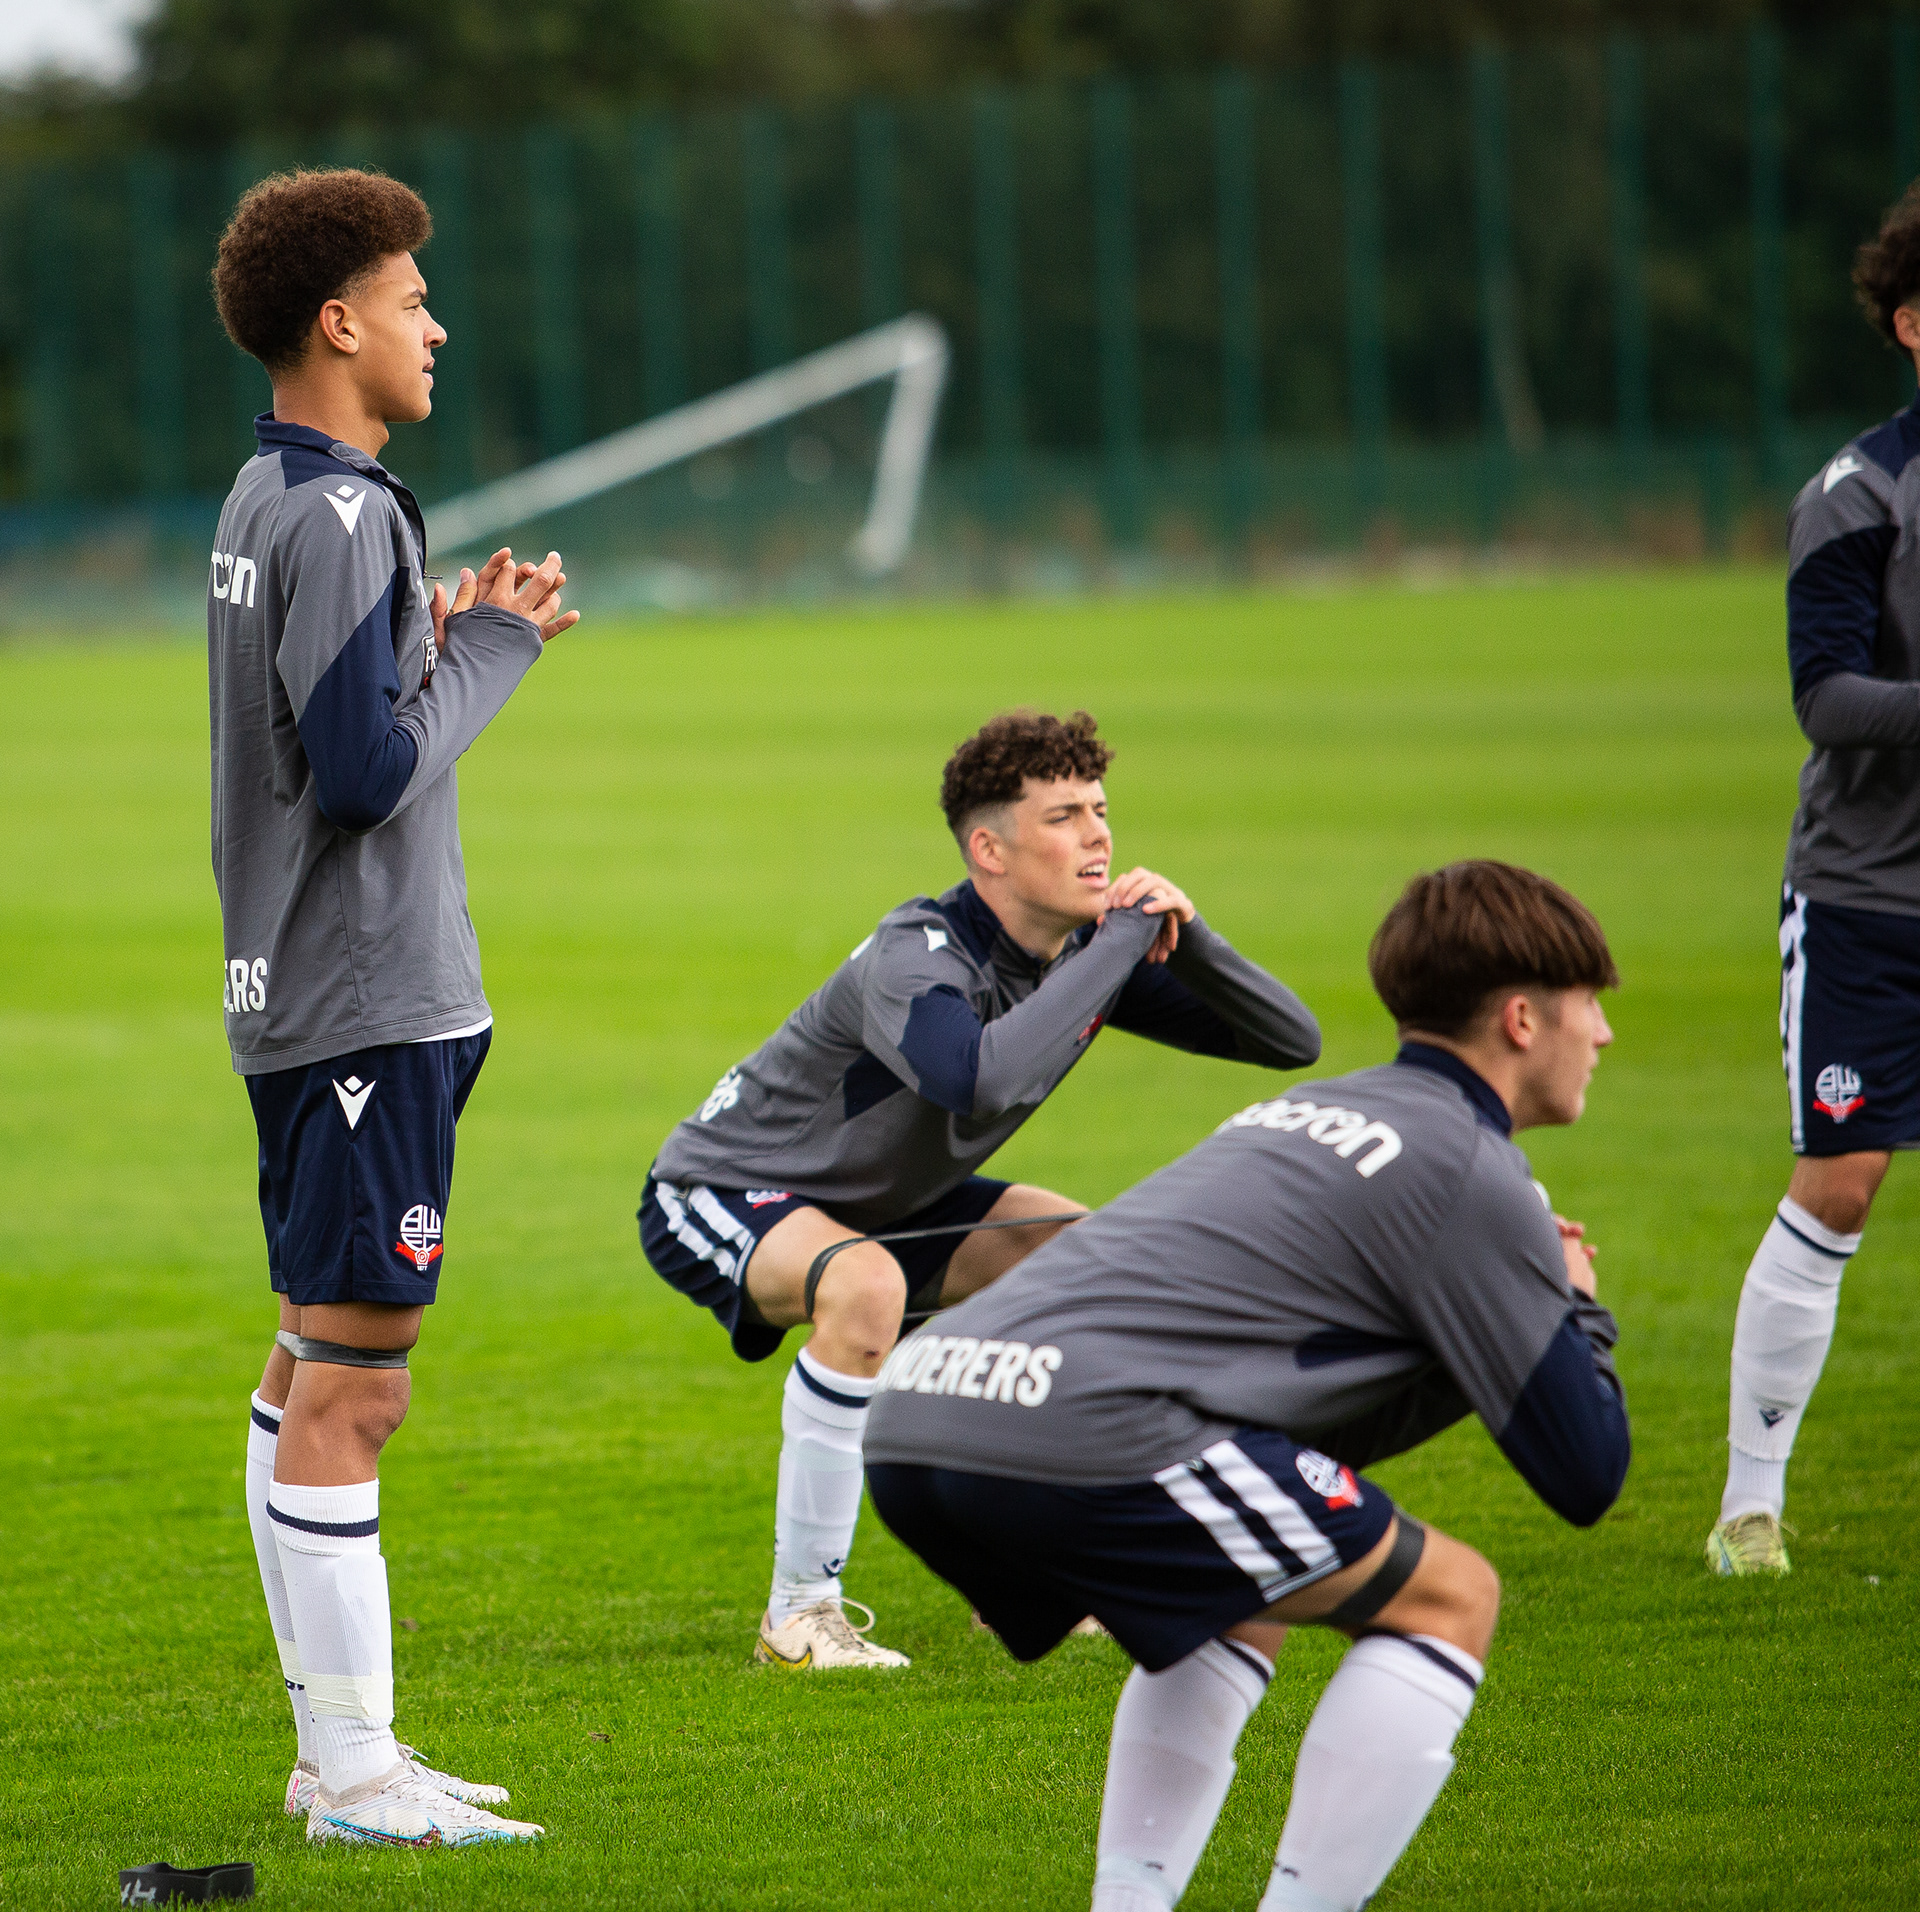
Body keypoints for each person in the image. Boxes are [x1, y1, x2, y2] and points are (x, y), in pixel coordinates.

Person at [863, 859, 1631, 1912]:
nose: (1605, 1034)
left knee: (1239, 1596)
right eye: (1591, 1003)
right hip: (1077, 1428)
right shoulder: (1468, 1167)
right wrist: (1573, 1303)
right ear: (1522, 1018)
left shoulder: (1309, 1109)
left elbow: (1294, 1416)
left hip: (924, 1407)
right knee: (1452, 1597)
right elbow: (1585, 1473)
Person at [639, 709, 1321, 1669]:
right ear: (989, 850)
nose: (1097, 837)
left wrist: (1190, 937)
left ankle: (1021, 1587)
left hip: (890, 1208)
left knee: (1082, 1260)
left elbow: (1290, 1040)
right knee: (864, 1284)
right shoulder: (917, 950)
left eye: (1100, 811)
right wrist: (1120, 945)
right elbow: (977, 1079)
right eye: (1063, 817)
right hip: (724, 1186)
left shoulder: (1089, 954)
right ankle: (798, 1618)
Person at [209, 168, 576, 1846]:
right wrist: (491, 648)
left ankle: (333, 1753)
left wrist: (421, 644)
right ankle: (357, 1774)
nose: (439, 326)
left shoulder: (265, 494)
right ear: (338, 321)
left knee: (305, 1365)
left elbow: (320, 722)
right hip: (365, 1003)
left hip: (307, 994)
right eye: (416, 300)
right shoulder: (348, 512)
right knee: (358, 1388)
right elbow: (359, 775)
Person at [1708, 183, 1920, 1575]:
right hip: (1869, 899)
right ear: (1910, 324)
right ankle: (1749, 1509)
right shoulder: (1858, 495)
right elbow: (1827, 698)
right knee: (1840, 1183)